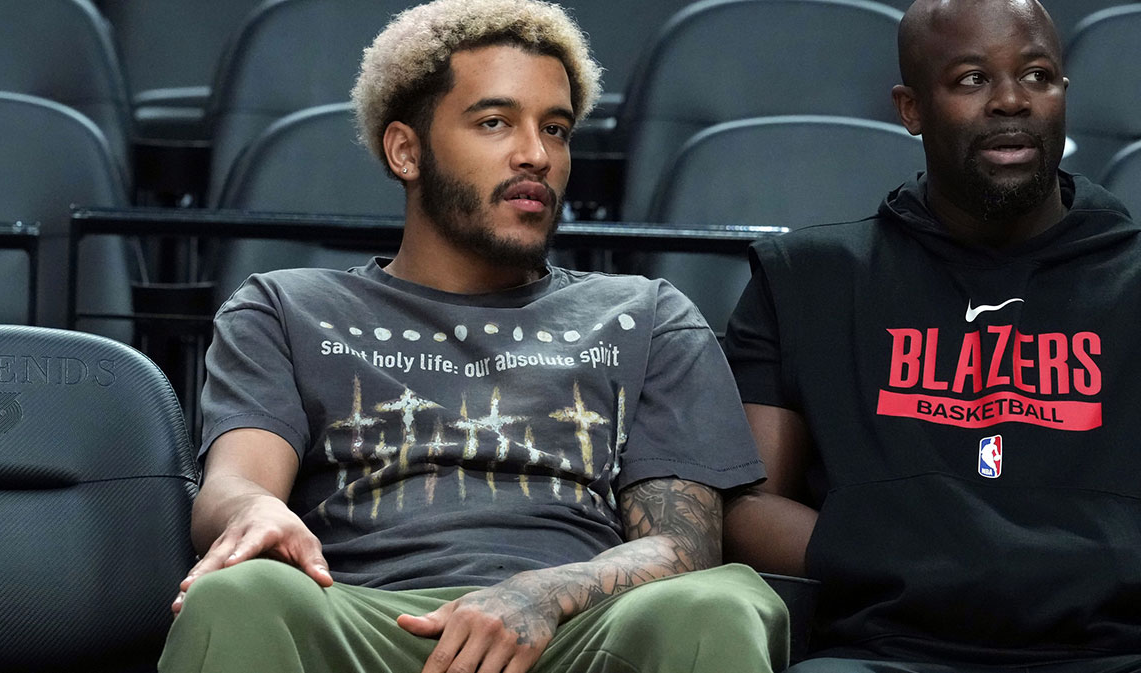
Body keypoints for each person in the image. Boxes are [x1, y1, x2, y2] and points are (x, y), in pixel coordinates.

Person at [158, 1, 788, 672]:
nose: (536, 154)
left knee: (716, 602)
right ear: (406, 150)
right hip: (361, 618)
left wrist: (542, 593)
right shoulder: (287, 306)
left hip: (574, 625)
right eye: (495, 122)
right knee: (236, 595)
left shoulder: (645, 314)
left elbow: (684, 544)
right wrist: (253, 511)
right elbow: (234, 482)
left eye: (555, 129)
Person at [721, 0, 1141, 671]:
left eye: (1037, 75)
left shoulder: (1140, 281)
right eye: (972, 79)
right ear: (911, 108)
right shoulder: (808, 279)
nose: (1011, 100)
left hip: (1118, 651)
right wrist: (926, 560)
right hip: (884, 652)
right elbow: (748, 506)